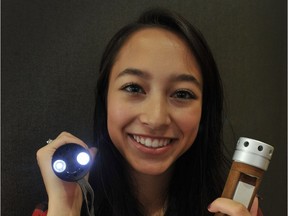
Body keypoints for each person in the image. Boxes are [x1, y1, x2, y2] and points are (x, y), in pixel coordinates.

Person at [35, 8, 263, 216]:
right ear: (105, 98)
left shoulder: (237, 210)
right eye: (133, 88)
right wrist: (64, 208)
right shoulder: (57, 210)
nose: (155, 119)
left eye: (182, 94)